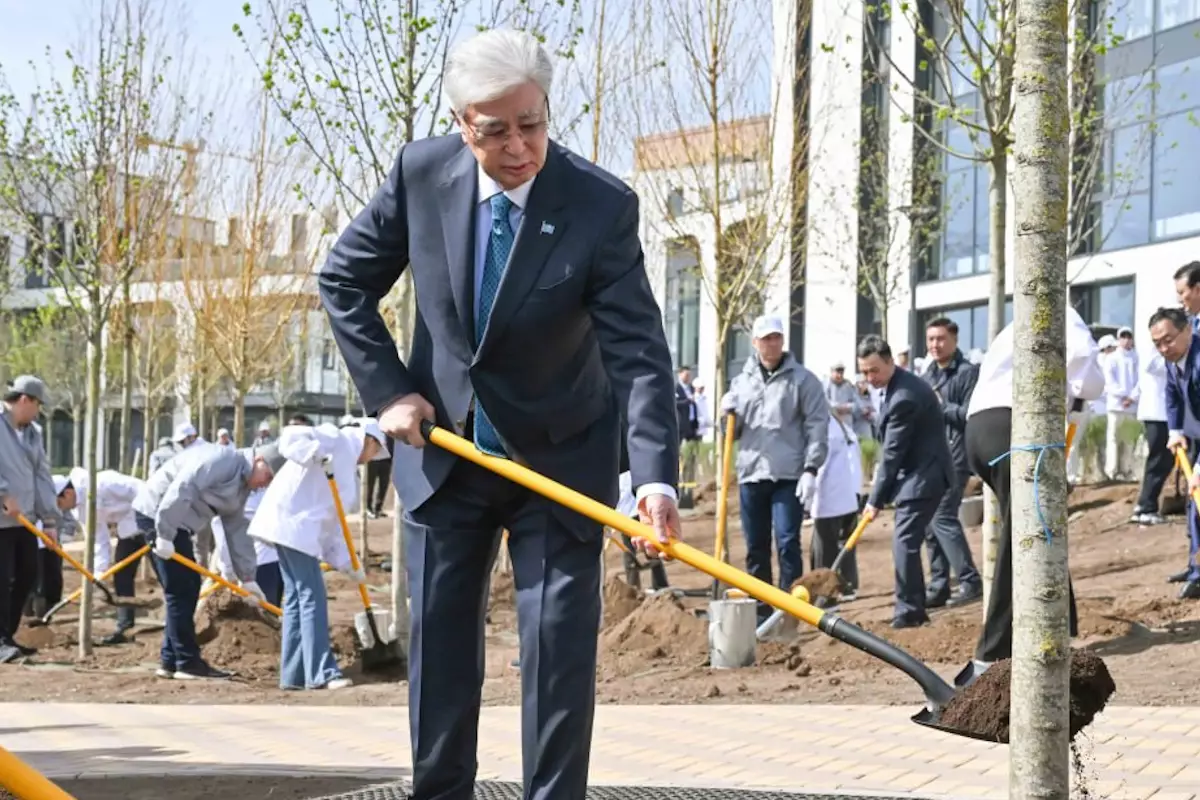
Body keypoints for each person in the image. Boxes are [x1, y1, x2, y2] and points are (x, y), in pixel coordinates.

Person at [317, 28, 681, 800]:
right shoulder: (421, 175)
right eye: (496, 130)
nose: (520, 147)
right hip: (447, 451)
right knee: (441, 656)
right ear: (461, 123)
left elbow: (640, 355)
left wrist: (654, 479)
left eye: (533, 124)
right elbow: (343, 281)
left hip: (560, 459)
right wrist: (390, 391)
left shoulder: (599, 205)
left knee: (555, 651)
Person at [964, 305, 1103, 675]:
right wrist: (1082, 387)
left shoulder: (1017, 323)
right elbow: (1086, 364)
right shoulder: (1065, 314)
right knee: (1023, 536)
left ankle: (1060, 620)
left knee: (1041, 527)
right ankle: (990, 654)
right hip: (1012, 427)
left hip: (979, 432)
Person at [249, 419, 385, 690]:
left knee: (297, 599)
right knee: (311, 597)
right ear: (370, 441)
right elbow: (289, 437)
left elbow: (334, 526)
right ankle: (321, 673)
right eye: (375, 452)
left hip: (293, 529)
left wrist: (349, 564)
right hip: (292, 525)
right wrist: (314, 452)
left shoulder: (348, 471)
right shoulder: (337, 438)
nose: (371, 459)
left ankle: (294, 675)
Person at [132, 441, 285, 680]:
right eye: (268, 476)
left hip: (178, 525)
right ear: (259, 460)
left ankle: (171, 660)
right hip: (158, 513)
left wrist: (247, 577)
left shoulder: (241, 487)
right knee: (181, 589)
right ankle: (186, 662)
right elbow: (184, 486)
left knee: (187, 586)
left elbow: (235, 528)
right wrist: (164, 532)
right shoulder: (222, 460)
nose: (265, 484)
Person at [720, 314, 830, 623]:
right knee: (756, 548)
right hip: (752, 473)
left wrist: (811, 468)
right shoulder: (741, 383)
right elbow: (732, 432)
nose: (772, 344)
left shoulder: (802, 380)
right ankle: (761, 611)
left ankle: (789, 611)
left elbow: (817, 426)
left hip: (788, 474)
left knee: (786, 542)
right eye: (766, 338)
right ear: (754, 343)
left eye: (776, 338)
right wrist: (726, 414)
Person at [857, 335, 955, 628]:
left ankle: (910, 610)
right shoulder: (896, 387)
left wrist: (874, 500)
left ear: (889, 361)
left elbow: (892, 456)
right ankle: (917, 604)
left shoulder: (904, 398)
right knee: (915, 538)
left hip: (924, 476)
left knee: (904, 542)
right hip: (919, 475)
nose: (869, 377)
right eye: (864, 371)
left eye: (874, 370)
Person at [920, 317, 983, 609]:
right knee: (930, 525)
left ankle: (970, 581)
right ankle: (938, 585)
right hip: (930, 456)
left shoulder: (968, 373)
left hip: (956, 457)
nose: (935, 345)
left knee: (942, 516)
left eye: (941, 339)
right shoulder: (927, 373)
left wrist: (940, 406)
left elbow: (971, 414)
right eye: (931, 339)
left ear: (955, 340)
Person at [0, 375, 60, 664]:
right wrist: (2, 493)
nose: (38, 411)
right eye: (37, 405)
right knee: (1, 580)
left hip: (24, 520)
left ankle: (7, 636)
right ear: (24, 400)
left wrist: (49, 520)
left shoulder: (34, 433)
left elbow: (43, 477)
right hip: (2, 518)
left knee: (26, 576)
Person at [62, 467, 146, 645]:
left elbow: (144, 490)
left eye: (58, 503)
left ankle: (176, 625)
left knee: (166, 574)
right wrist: (99, 573)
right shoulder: (79, 510)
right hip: (127, 533)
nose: (59, 509)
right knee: (121, 575)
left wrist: (145, 525)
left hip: (149, 522)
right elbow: (98, 539)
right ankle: (125, 627)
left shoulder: (104, 483)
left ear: (67, 494)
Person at [1154, 306, 1200, 599]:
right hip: (1196, 437)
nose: (1163, 347)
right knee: (1193, 506)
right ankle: (1196, 566)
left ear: (1187, 330)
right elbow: (1171, 395)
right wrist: (1175, 431)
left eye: (1168, 339)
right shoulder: (1173, 361)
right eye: (1157, 343)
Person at [806, 415, 863, 599]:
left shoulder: (825, 427)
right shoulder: (839, 424)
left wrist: (807, 501)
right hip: (849, 492)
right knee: (845, 544)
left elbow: (820, 462)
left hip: (829, 496)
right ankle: (848, 587)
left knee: (824, 549)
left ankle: (825, 593)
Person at [24, 475, 78, 619]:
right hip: (35, 543)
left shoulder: (61, 505)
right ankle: (30, 611)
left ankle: (46, 612)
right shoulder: (34, 501)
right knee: (34, 580)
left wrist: (63, 538)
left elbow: (69, 524)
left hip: (52, 545)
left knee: (51, 580)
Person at [1131, 348, 1170, 527]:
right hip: (1158, 414)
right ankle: (1147, 508)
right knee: (1160, 460)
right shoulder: (1154, 354)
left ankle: (1144, 505)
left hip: (1159, 413)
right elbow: (1154, 366)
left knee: (1159, 460)